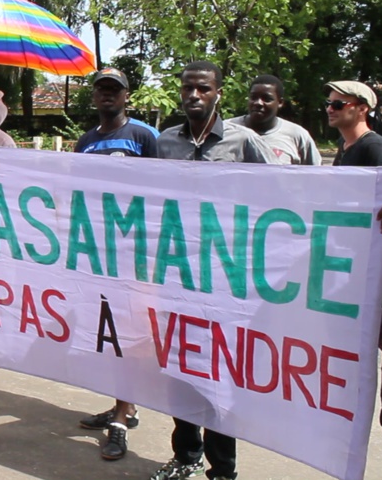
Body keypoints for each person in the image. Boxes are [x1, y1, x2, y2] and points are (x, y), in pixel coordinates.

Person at [150, 60, 277, 480]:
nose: (194, 96)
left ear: (218, 92)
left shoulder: (245, 143)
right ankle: (185, 455)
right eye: (188, 88)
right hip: (175, 277)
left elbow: (284, 195)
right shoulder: (165, 142)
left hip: (225, 280)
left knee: (221, 375)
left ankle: (222, 469)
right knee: (179, 371)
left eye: (203, 89)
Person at [73, 68, 158, 461]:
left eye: (114, 90)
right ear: (94, 97)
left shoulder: (143, 136)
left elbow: (164, 192)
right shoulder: (86, 142)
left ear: (126, 97)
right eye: (101, 90)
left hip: (135, 255)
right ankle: (123, 403)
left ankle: (121, 421)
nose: (107, 96)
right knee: (106, 336)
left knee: (130, 338)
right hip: (98, 254)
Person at [227, 75, 321, 165]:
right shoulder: (227, 130)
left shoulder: (297, 135)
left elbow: (316, 175)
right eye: (253, 97)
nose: (258, 103)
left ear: (280, 102)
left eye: (267, 99)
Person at [325, 80, 382, 167]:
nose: (329, 110)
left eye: (337, 104)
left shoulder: (376, 148)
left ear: (362, 109)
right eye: (328, 103)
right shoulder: (344, 143)